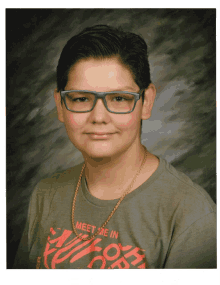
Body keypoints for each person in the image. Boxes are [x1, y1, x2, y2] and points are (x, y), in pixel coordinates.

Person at [13, 25, 216, 269]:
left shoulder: (191, 216)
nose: (99, 117)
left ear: (146, 102)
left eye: (119, 98)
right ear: (60, 105)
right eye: (80, 98)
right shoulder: (46, 195)